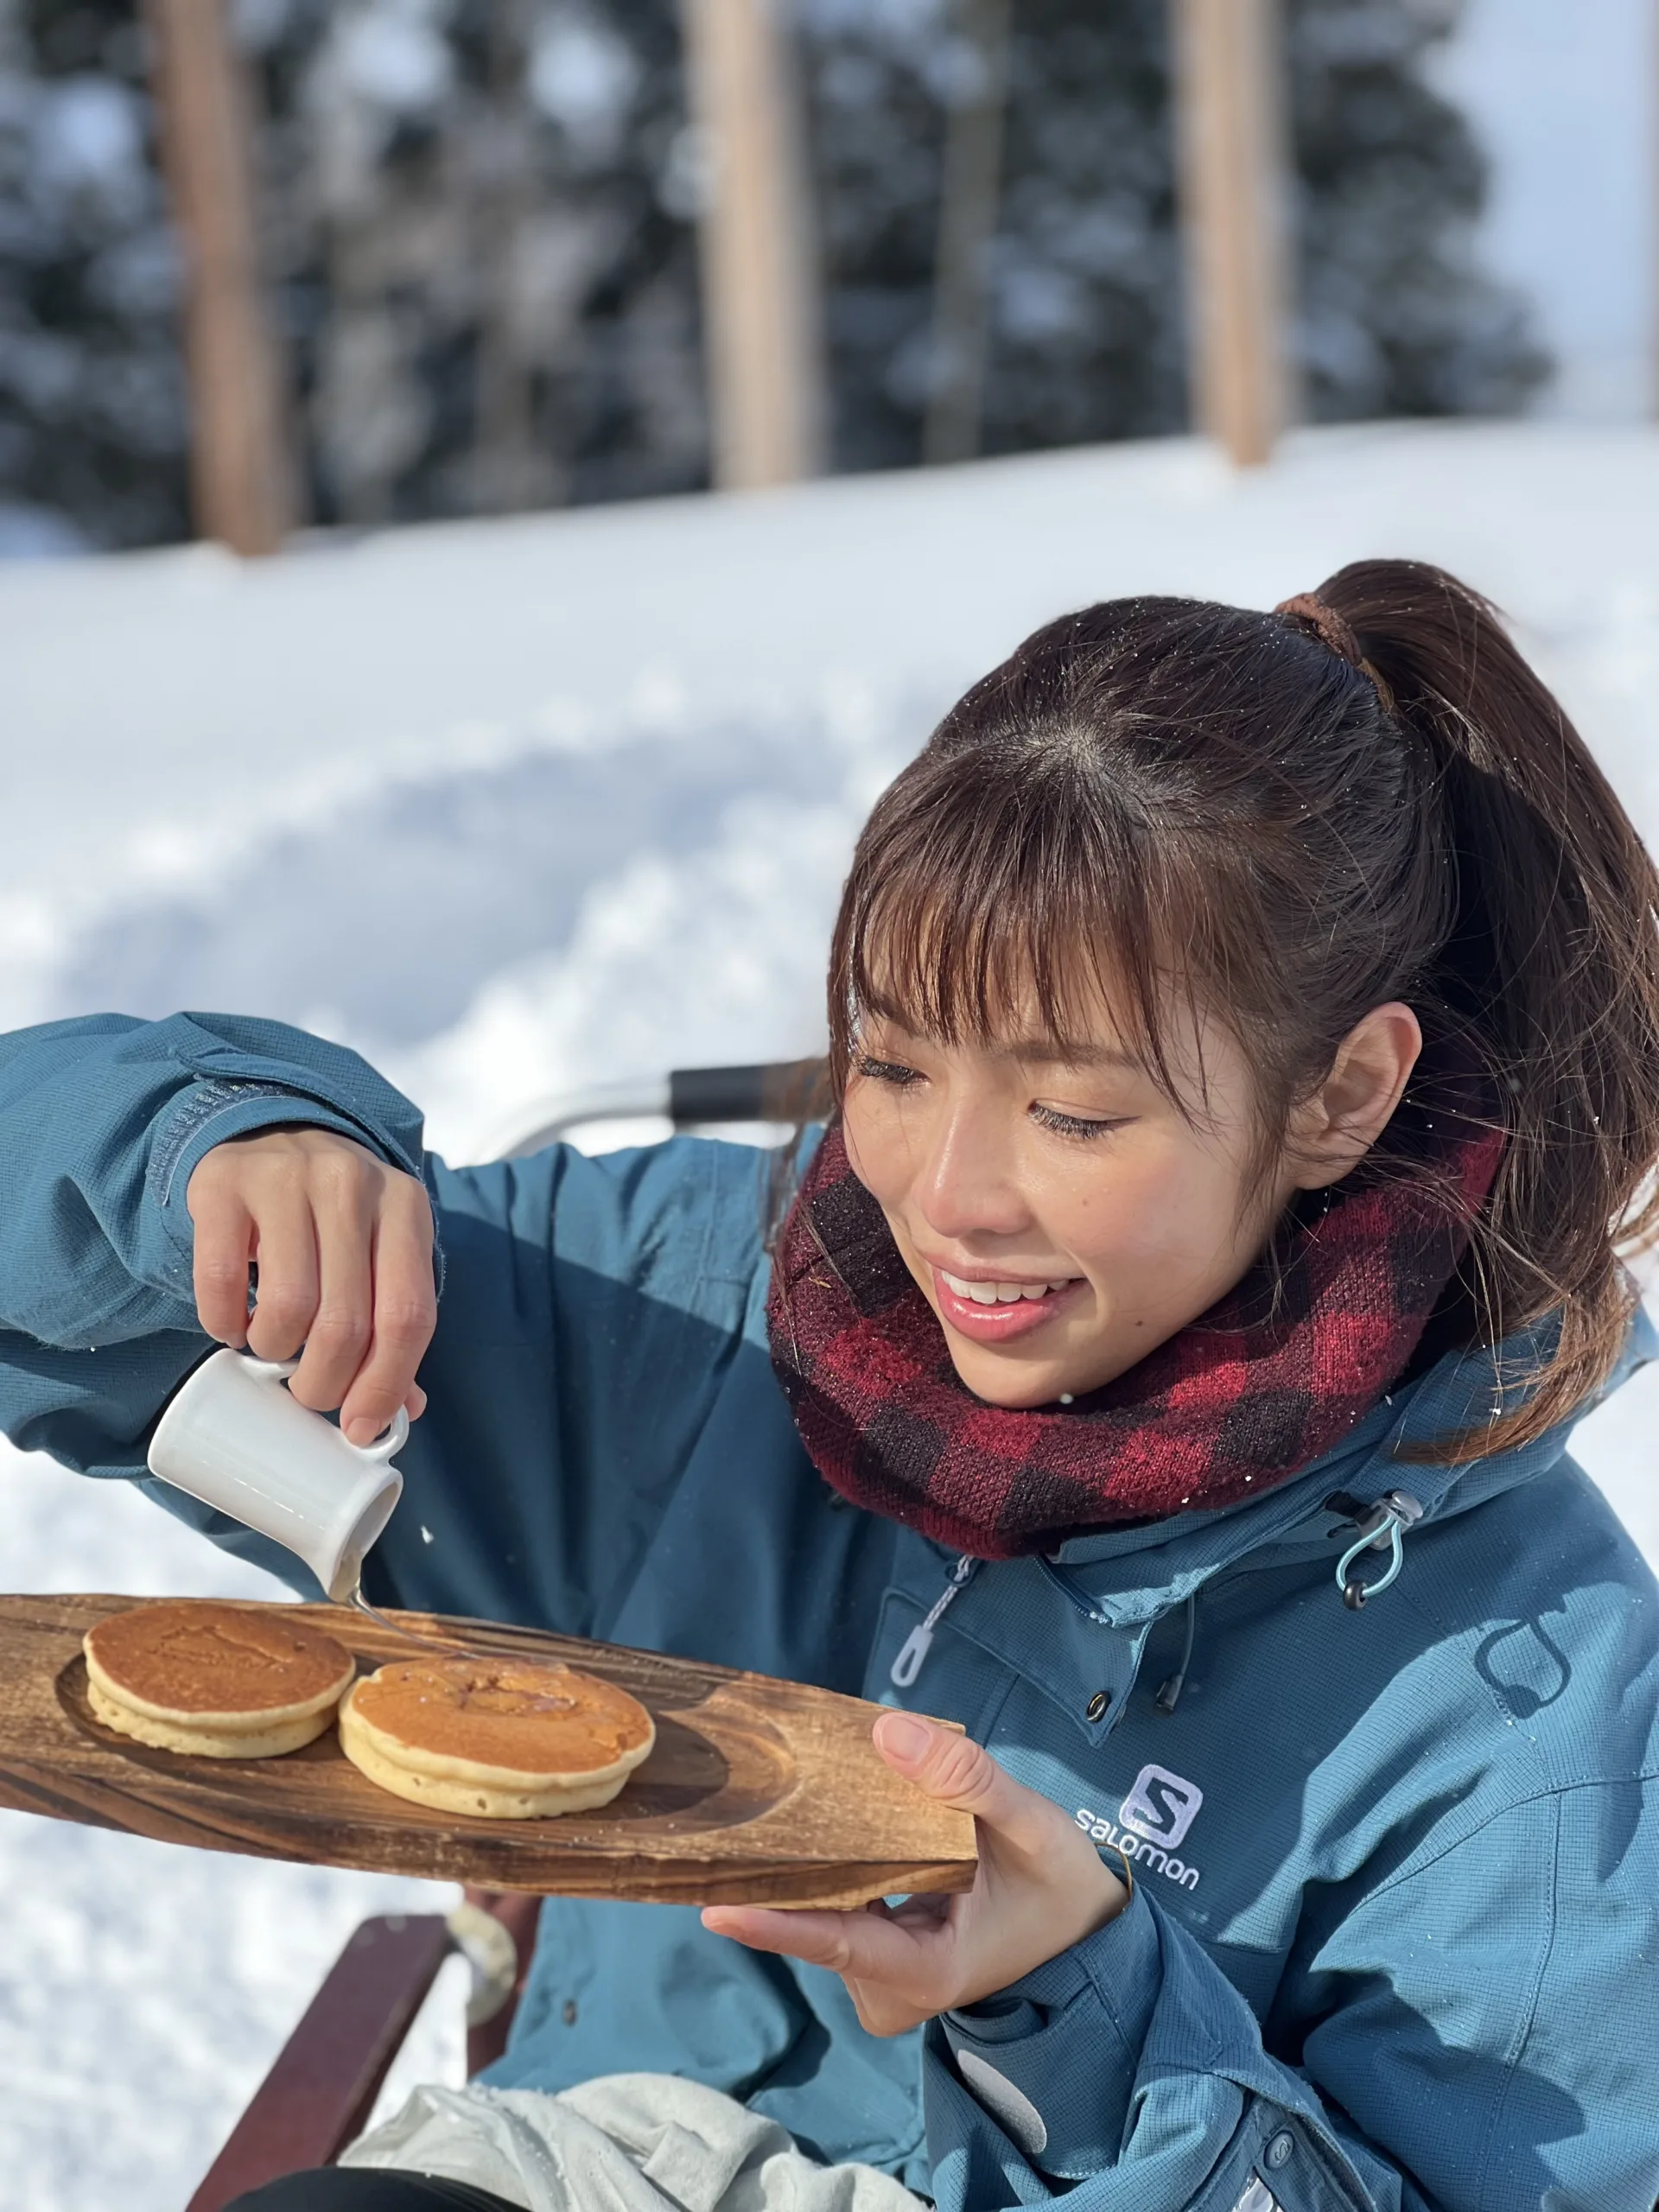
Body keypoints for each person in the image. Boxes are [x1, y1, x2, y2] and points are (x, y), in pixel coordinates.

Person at [3, 559, 1658, 2212]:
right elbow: (73, 1314)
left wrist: (1082, 2002)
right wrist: (204, 1149)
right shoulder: (715, 1313)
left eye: (1073, 1115)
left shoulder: (1528, 1709)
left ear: (1341, 1095)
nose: (946, 1198)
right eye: (891, 1063)